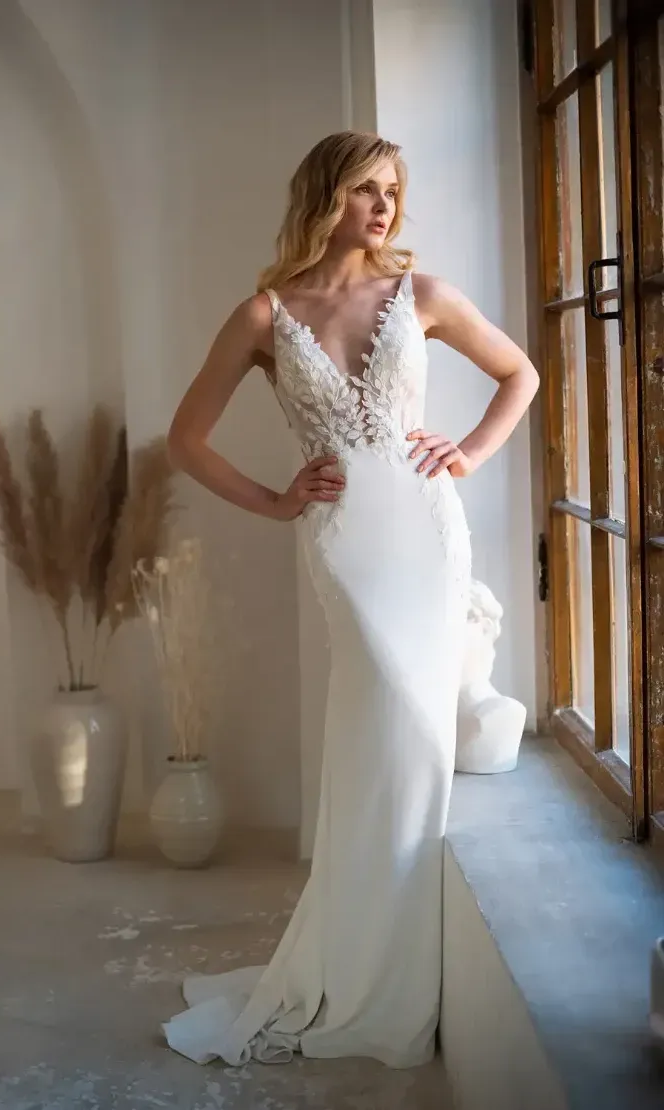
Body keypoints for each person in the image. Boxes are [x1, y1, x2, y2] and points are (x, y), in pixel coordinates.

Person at [162, 130, 539, 1068]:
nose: (383, 207)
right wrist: (278, 500)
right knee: (383, 722)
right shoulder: (264, 316)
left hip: (426, 532)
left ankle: (395, 962)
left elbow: (520, 374)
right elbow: (186, 440)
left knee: (411, 736)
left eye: (393, 191)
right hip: (344, 545)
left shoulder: (424, 295)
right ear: (323, 196)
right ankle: (363, 963)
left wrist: (467, 452)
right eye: (366, 189)